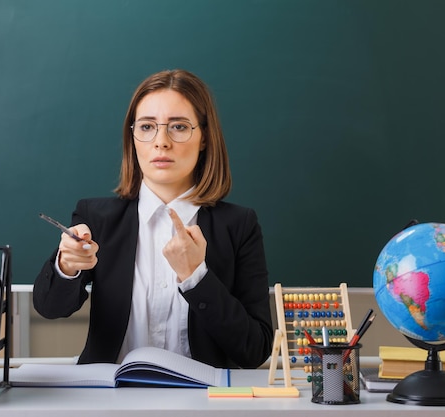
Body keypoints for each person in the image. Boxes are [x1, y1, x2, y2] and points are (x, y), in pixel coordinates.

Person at [33, 69, 273, 369]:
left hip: (204, 403)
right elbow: (49, 307)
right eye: (147, 127)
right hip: (110, 399)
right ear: (132, 137)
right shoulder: (96, 218)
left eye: (179, 127)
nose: (161, 142)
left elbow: (254, 351)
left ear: (204, 138)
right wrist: (67, 266)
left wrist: (196, 277)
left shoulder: (239, 225)